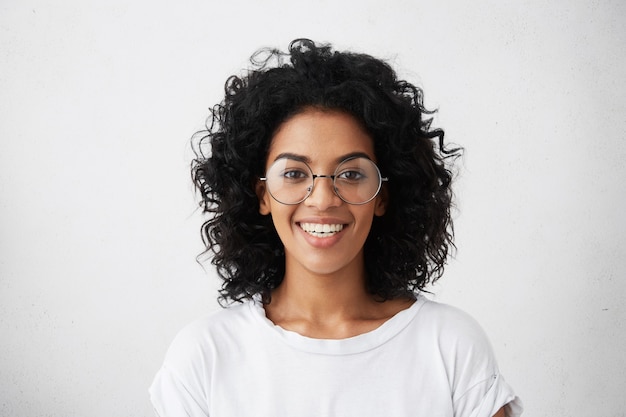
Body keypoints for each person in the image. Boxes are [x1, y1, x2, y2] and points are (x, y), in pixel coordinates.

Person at [149, 39, 523, 417]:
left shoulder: (450, 345)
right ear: (262, 195)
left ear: (383, 196)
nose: (323, 198)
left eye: (351, 173)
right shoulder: (204, 356)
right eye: (294, 173)